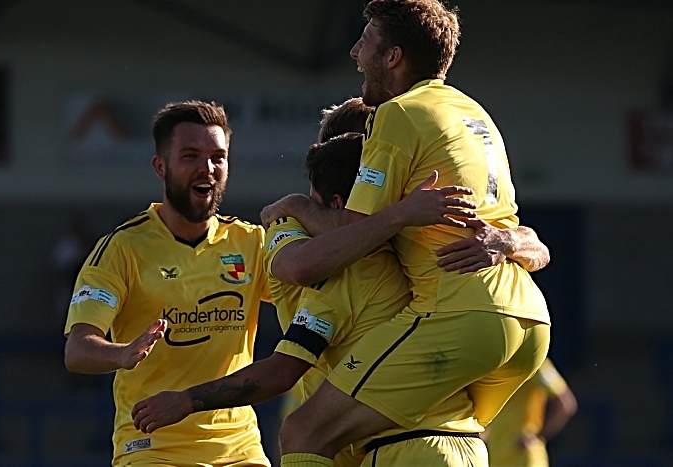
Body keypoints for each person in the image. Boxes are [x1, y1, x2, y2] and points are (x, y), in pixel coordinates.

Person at [132, 131, 548, 467]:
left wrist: (187, 399)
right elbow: (535, 246)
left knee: (300, 432)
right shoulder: (419, 250)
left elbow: (281, 369)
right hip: (470, 446)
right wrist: (511, 239)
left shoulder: (344, 275)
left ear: (334, 205)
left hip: (403, 452)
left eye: (312, 202)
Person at [257, 2, 552, 466]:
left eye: (366, 42)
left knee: (304, 430)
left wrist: (294, 207)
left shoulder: (397, 115)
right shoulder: (472, 113)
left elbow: (354, 233)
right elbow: (524, 236)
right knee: (432, 423)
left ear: (393, 56)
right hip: (529, 321)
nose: (355, 52)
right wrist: (509, 241)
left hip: (460, 316)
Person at [63, 100, 274, 467]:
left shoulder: (250, 243)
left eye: (217, 157)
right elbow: (78, 350)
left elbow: (314, 288)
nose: (206, 168)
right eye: (190, 156)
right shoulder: (122, 248)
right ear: (160, 166)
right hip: (152, 450)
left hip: (240, 451)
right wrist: (122, 353)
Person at [484, 358, 578, 467]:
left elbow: (565, 405)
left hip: (523, 458)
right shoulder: (498, 364)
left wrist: (537, 437)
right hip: (495, 457)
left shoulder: (536, 363)